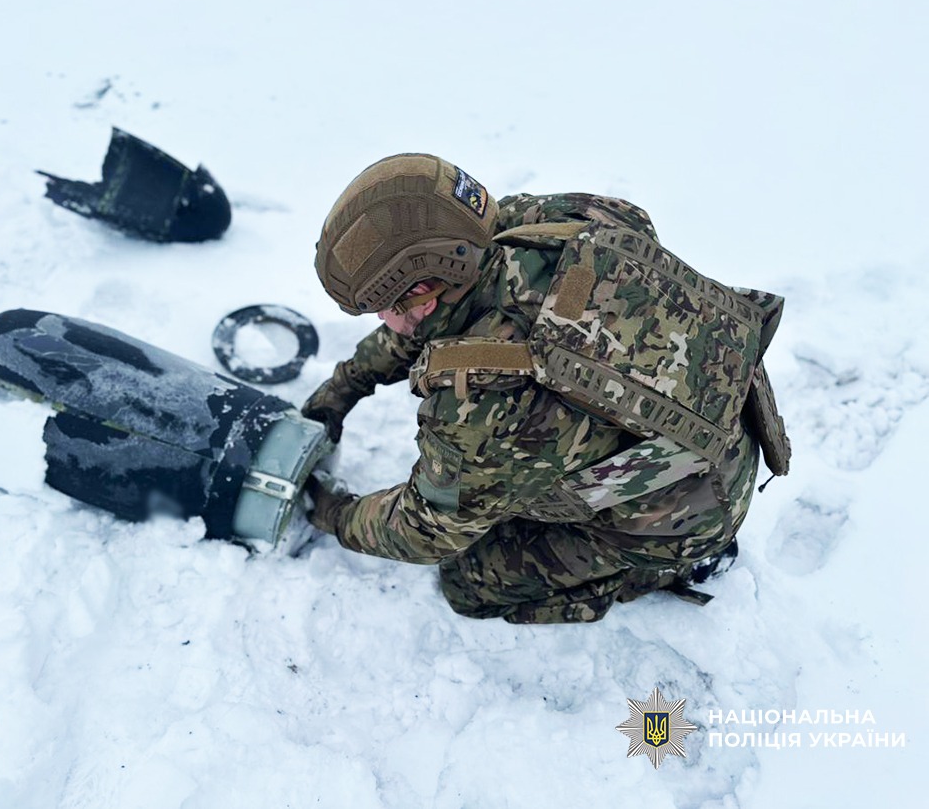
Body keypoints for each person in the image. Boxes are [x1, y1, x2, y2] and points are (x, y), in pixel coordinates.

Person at [302, 154, 790, 623]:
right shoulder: (548, 222)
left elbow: (426, 530)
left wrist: (335, 513)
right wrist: (347, 385)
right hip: (720, 417)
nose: (383, 321)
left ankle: (663, 570)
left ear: (421, 293)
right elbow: (422, 324)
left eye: (384, 306)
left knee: (469, 581)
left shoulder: (484, 407)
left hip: (682, 519)